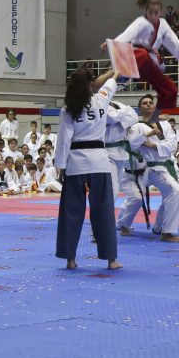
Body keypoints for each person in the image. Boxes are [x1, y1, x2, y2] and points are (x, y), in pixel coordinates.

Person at [54, 68, 122, 270]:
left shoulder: (69, 108)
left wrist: (60, 166)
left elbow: (63, 140)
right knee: (104, 211)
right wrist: (115, 71)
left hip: (75, 163)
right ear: (91, 85)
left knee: (71, 212)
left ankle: (70, 260)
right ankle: (111, 260)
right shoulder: (101, 100)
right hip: (99, 162)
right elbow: (109, 84)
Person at [104, 0, 179, 122]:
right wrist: (112, 43)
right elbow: (127, 34)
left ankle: (152, 119)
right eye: (150, 13)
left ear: (161, 12)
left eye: (156, 13)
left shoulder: (164, 25)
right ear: (145, 12)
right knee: (143, 54)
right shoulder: (140, 22)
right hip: (135, 59)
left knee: (171, 89)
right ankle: (120, 75)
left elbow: (173, 41)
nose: (153, 15)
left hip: (148, 65)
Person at [127, 94, 179, 242]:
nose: (148, 104)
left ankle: (160, 228)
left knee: (171, 194)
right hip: (147, 168)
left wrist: (152, 145)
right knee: (138, 197)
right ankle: (124, 225)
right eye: (145, 103)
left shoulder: (165, 125)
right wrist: (148, 134)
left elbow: (173, 144)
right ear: (140, 109)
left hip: (162, 167)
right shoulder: (137, 127)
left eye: (150, 103)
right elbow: (132, 144)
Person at [104, 99, 141, 235]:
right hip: (106, 154)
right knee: (111, 192)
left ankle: (104, 224)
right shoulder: (99, 103)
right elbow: (110, 117)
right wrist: (125, 113)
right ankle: (101, 226)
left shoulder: (116, 103)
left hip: (120, 153)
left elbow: (134, 116)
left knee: (114, 191)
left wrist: (119, 117)